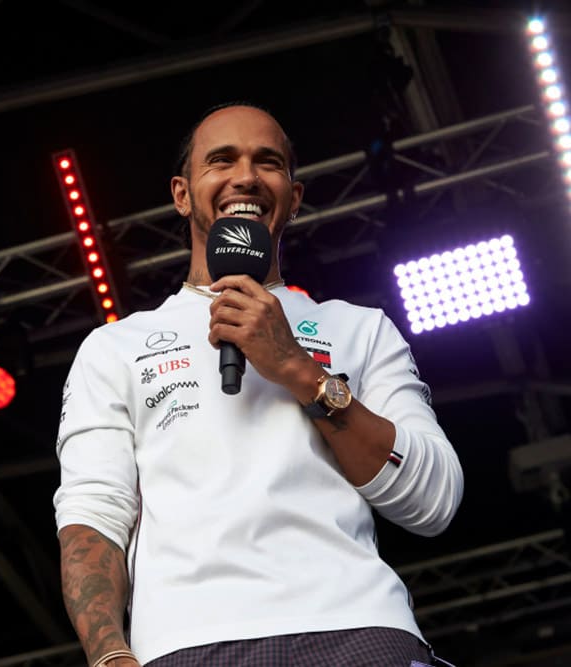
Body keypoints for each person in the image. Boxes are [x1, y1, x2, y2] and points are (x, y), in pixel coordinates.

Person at [52, 102, 464, 667]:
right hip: (188, 643)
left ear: (293, 198)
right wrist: (109, 655)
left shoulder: (360, 328)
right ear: (181, 194)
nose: (245, 176)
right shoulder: (115, 348)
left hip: (358, 625)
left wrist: (297, 369)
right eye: (221, 160)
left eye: (267, 162)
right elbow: (93, 516)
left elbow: (433, 499)